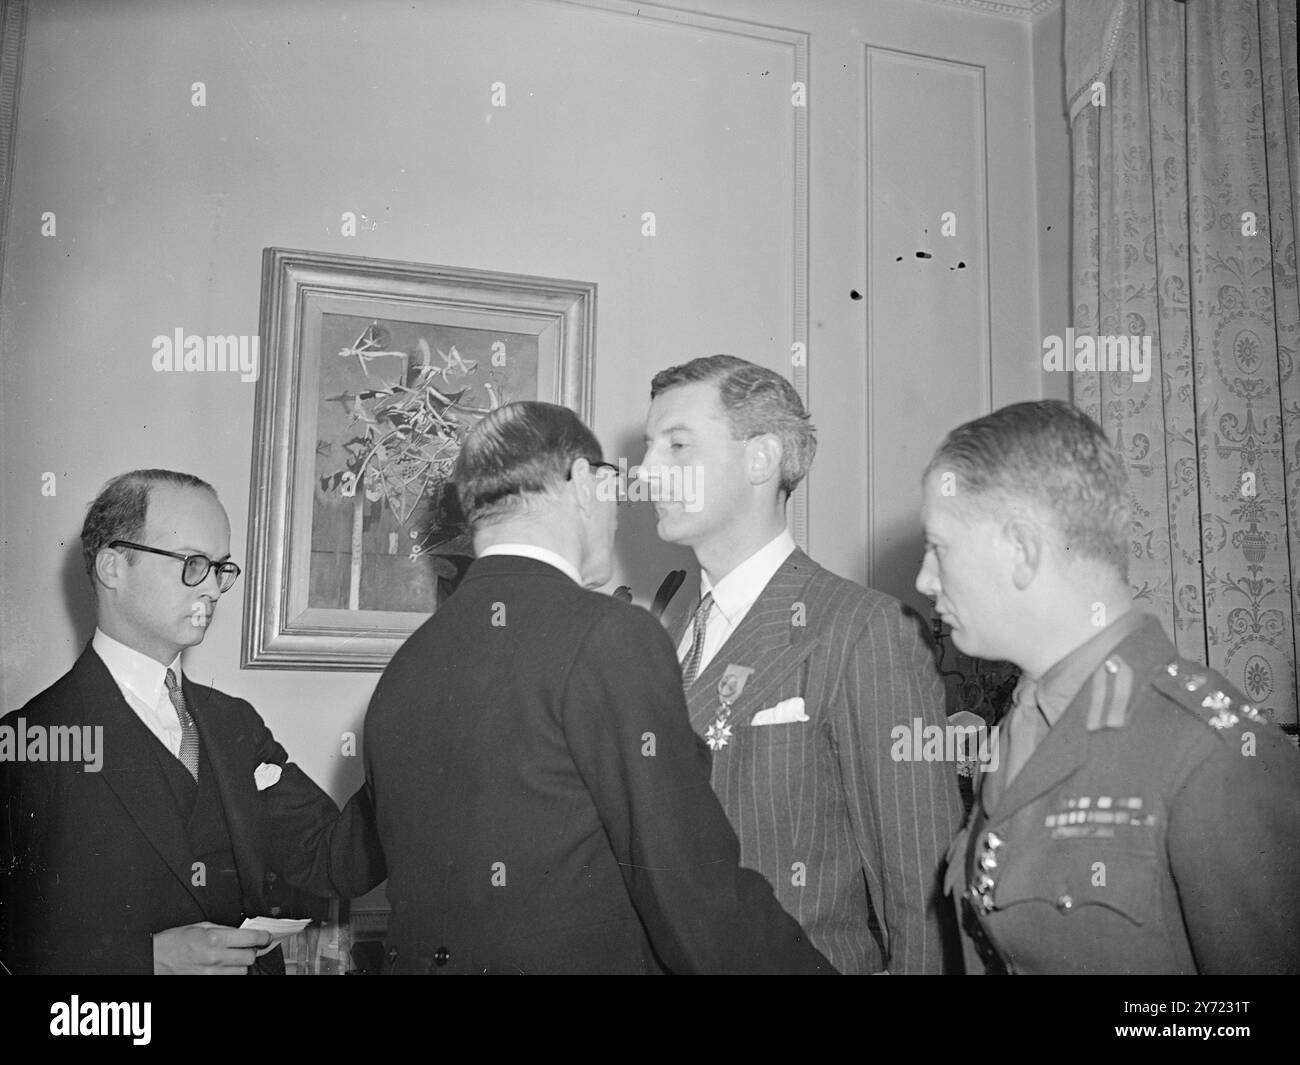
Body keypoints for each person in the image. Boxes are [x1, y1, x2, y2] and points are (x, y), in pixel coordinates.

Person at [363, 400, 834, 974]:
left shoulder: (407, 665)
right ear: (584, 482)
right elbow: (690, 891)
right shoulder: (608, 635)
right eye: (613, 479)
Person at [917, 400, 1300, 974]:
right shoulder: (1031, 717)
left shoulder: (1211, 756)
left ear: (1021, 551)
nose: (925, 578)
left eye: (939, 549)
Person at [640, 355, 963, 974]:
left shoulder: (864, 629)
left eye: (677, 446)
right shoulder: (659, 636)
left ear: (760, 460)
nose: (648, 472)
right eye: (650, 449)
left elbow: (920, 883)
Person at [0, 470, 384, 975]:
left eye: (221, 567)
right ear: (114, 567)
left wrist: (411, 755)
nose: (214, 588)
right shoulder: (34, 738)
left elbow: (334, 861)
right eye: (192, 563)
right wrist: (147, 959)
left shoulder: (235, 723)